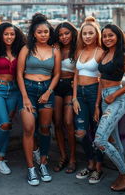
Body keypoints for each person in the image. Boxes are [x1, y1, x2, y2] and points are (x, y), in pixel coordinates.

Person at [17, 13, 61, 186]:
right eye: (40, 32)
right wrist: (25, 98)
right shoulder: (26, 49)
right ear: (34, 34)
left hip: (46, 91)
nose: (43, 35)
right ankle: (31, 169)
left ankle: (43, 163)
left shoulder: (55, 50)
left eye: (46, 32)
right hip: (28, 89)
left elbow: (56, 74)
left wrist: (49, 91)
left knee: (44, 129)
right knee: (28, 128)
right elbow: (19, 74)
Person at [94, 24, 125, 192]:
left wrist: (115, 94)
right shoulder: (105, 54)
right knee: (114, 140)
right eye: (104, 36)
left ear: (118, 36)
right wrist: (98, 104)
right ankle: (122, 175)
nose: (107, 39)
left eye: (110, 35)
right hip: (105, 99)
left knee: (100, 139)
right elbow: (101, 80)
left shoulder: (122, 56)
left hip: (118, 99)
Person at [0, 22, 25, 175]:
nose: (9, 37)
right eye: (6, 34)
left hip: (14, 90)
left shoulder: (20, 50)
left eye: (12, 34)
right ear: (0, 35)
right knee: (3, 123)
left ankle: (0, 157)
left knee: (8, 124)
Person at [72, 16, 104, 184]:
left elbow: (101, 81)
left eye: (91, 33)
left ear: (96, 34)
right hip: (80, 96)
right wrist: (75, 98)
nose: (87, 36)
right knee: (81, 131)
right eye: (85, 33)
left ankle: (98, 167)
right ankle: (90, 163)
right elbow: (76, 76)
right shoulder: (79, 51)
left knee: (98, 132)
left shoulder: (101, 51)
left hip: (94, 93)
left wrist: (98, 105)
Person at [53, 21, 78, 174]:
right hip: (56, 86)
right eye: (61, 34)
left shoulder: (78, 49)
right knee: (57, 123)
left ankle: (73, 158)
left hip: (70, 87)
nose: (63, 37)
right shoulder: (55, 48)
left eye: (66, 33)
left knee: (69, 122)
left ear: (72, 33)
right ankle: (62, 156)